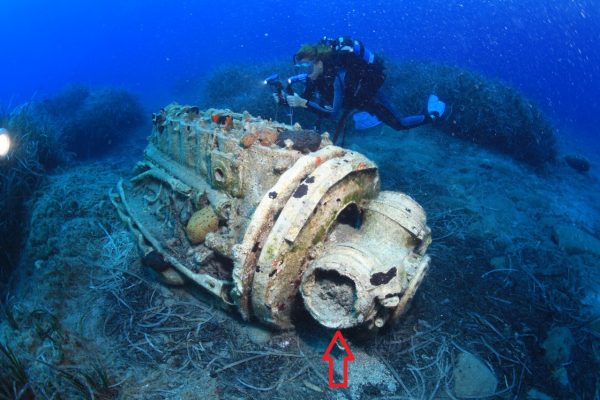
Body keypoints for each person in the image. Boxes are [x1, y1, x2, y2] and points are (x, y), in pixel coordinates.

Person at [281, 37, 446, 143]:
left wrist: (303, 103)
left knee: (399, 124)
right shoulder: (316, 76)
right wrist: (284, 99)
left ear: (318, 62)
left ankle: (433, 114)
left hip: (368, 97)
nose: (305, 71)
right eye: (301, 66)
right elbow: (303, 98)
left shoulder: (338, 76)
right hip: (352, 100)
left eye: (307, 65)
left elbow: (332, 113)